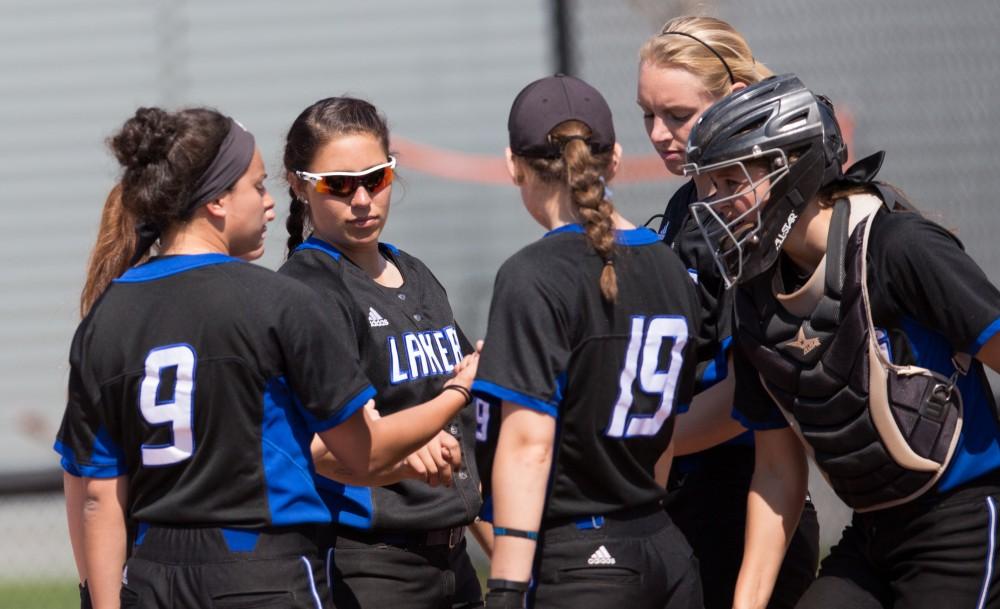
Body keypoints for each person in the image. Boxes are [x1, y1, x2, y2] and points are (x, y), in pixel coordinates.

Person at [54, 106, 474, 609]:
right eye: (256, 187)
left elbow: (97, 494)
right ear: (216, 202)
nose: (270, 204)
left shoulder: (107, 314)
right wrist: (457, 393)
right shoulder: (279, 300)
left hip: (153, 576)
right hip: (264, 571)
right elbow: (358, 451)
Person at [682, 73, 1000, 609]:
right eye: (708, 187)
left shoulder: (897, 248)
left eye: (730, 182)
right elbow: (778, 470)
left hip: (963, 523)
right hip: (872, 533)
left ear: (791, 167)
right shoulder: (756, 298)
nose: (716, 204)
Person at [473, 74, 704, 609]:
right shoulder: (670, 265)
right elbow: (665, 434)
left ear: (514, 165)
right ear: (614, 159)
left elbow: (530, 444)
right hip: (663, 546)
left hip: (581, 562)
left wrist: (506, 586)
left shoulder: (532, 274)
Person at [636, 16, 818, 609]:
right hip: (686, 483)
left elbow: (754, 393)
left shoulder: (761, 213)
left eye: (679, 116)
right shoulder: (690, 202)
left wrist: (645, 445)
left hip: (744, 497)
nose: (661, 134)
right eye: (647, 115)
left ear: (734, 100)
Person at [278, 96, 487, 609]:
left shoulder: (414, 272)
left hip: (454, 561)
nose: (363, 199)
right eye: (339, 185)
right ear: (299, 184)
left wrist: (509, 565)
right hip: (370, 566)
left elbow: (462, 436)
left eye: (377, 178)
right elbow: (315, 450)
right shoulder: (309, 288)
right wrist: (397, 454)